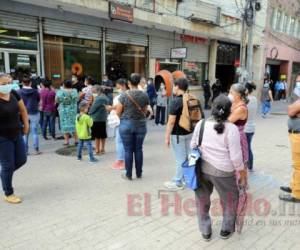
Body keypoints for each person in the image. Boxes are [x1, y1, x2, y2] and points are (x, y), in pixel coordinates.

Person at [192, 95, 247, 241]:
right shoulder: (232, 129)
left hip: (201, 169)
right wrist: (241, 172)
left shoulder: (201, 124)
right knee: (230, 200)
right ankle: (226, 230)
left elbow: (193, 146)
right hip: (224, 173)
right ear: (229, 111)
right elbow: (236, 157)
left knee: (202, 200)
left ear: (213, 107)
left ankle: (205, 231)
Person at [0, 73, 29, 204]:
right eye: (3, 84)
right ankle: (8, 193)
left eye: (9, 82)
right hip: (2, 137)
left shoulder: (14, 93)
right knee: (8, 164)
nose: (7, 86)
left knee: (22, 159)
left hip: (17, 133)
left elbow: (23, 110)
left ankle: (5, 174)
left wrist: (26, 124)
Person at [116, 73, 149, 180]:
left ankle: (128, 174)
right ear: (139, 82)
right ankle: (139, 173)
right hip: (140, 124)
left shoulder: (124, 95)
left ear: (129, 83)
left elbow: (118, 112)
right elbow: (144, 111)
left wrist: (125, 117)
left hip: (126, 124)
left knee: (128, 150)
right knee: (139, 149)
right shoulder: (144, 95)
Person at [164, 78, 192, 190]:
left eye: (173, 86)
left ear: (177, 86)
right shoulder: (190, 98)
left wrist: (166, 137)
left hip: (177, 134)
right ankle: (186, 179)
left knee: (180, 159)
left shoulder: (175, 101)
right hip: (190, 132)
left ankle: (177, 181)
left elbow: (171, 122)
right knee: (187, 157)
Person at [279, 78, 300, 203]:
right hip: (295, 134)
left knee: (298, 166)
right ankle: (294, 186)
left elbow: (290, 110)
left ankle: (297, 194)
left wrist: (293, 109)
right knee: (296, 164)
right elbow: (291, 110)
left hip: (298, 136)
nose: (297, 83)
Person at [19, 75, 41, 155]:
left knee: (25, 132)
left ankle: (25, 151)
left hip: (23, 113)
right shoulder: (35, 91)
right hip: (34, 112)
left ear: (22, 83)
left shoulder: (19, 92)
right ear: (30, 83)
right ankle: (36, 149)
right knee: (35, 132)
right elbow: (38, 99)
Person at [228, 83, 249, 169]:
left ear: (238, 95)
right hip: (231, 136)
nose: (229, 94)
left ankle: (239, 181)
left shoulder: (241, 108)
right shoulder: (233, 104)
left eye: (231, 92)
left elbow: (227, 121)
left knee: (237, 163)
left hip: (237, 137)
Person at [56, 80, 79, 146]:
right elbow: (77, 99)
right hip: (72, 110)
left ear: (64, 85)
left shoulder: (60, 92)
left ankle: (66, 141)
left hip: (63, 110)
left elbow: (57, 100)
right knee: (74, 124)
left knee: (64, 124)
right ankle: (76, 140)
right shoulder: (74, 91)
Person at [89, 85, 110, 155]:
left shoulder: (99, 98)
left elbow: (93, 109)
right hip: (103, 118)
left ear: (97, 90)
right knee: (102, 135)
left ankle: (97, 150)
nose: (92, 91)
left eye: (93, 90)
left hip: (96, 118)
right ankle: (102, 149)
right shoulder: (104, 97)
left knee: (97, 136)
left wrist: (88, 113)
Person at [112, 78, 128, 170]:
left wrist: (112, 109)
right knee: (127, 142)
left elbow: (118, 110)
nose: (116, 88)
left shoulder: (119, 97)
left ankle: (120, 161)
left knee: (119, 141)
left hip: (121, 120)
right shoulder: (134, 94)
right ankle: (127, 161)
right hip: (132, 121)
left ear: (122, 85)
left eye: (118, 86)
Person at [244, 82, 258, 171]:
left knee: (246, 148)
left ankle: (248, 166)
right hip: (252, 127)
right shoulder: (254, 99)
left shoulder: (245, 100)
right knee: (248, 146)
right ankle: (250, 165)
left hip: (245, 128)